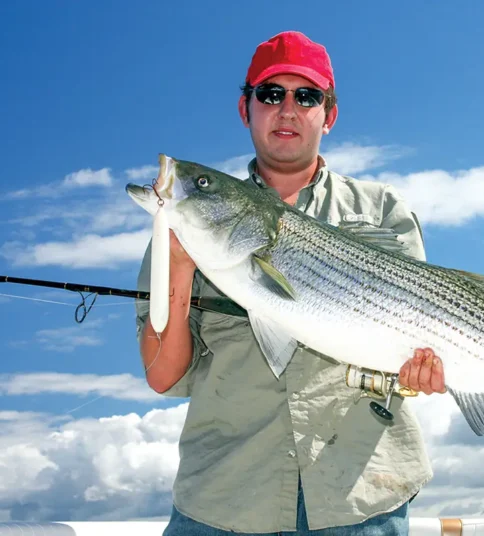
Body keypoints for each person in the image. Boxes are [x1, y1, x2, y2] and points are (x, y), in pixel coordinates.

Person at [135, 30, 445, 536]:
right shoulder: (182, 222)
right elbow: (163, 376)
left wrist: (421, 370)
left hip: (361, 499)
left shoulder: (382, 209)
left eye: (306, 96)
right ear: (246, 109)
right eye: (271, 93)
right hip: (223, 501)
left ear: (329, 114)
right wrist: (181, 267)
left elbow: (422, 338)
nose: (287, 109)